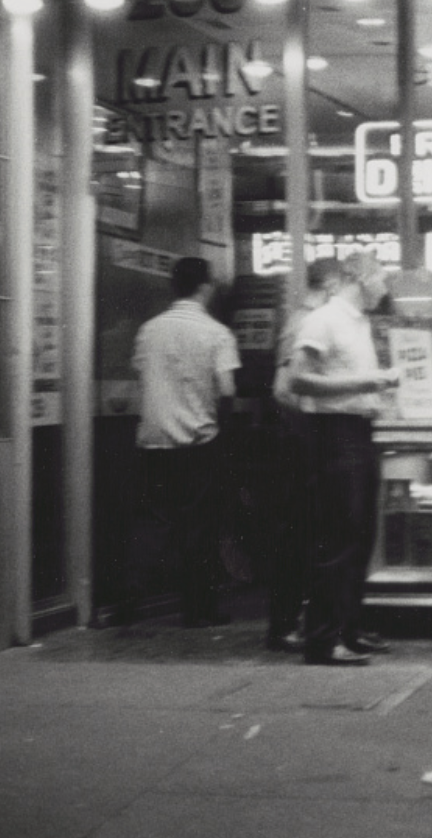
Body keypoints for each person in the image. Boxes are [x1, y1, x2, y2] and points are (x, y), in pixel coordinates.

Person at [290, 252, 400, 666]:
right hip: (335, 434)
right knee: (339, 536)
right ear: (362, 278)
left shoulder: (358, 322)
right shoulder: (323, 320)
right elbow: (299, 379)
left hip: (358, 432)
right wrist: (368, 381)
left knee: (360, 535)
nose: (385, 289)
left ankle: (348, 629)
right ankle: (322, 639)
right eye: (382, 279)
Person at [127, 256, 241, 628]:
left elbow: (141, 375)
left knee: (153, 522)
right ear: (205, 287)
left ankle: (130, 600)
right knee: (198, 527)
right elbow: (228, 390)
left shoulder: (149, 330)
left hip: (153, 440)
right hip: (198, 442)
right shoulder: (217, 333)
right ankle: (198, 609)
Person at [264, 257, 343, 653]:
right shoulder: (305, 322)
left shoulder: (307, 319)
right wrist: (309, 426)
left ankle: (293, 620)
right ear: (331, 285)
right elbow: (283, 388)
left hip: (299, 438)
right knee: (295, 532)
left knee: (302, 532)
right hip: (298, 440)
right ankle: (282, 625)